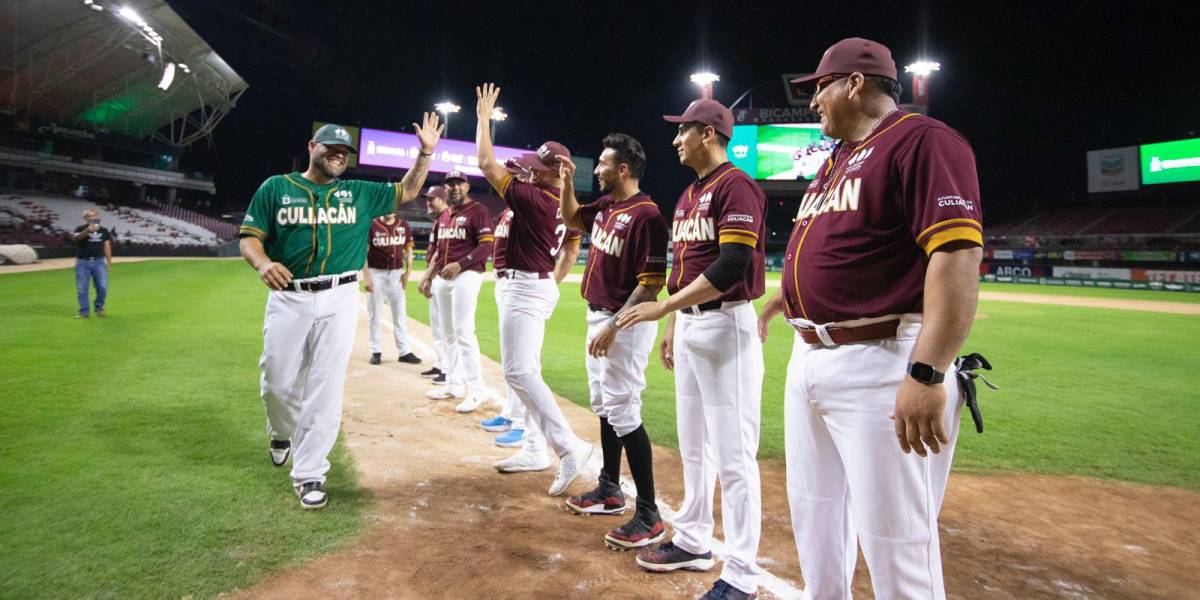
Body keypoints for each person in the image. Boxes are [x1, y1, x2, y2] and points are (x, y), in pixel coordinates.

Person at [758, 38, 984, 600]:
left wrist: (928, 371)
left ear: (855, 83)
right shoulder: (836, 160)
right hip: (809, 356)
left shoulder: (922, 140)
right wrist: (788, 299)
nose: (813, 102)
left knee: (896, 542)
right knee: (815, 519)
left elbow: (956, 255)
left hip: (882, 360)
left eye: (820, 88)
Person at [239, 118, 443, 509]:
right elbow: (251, 238)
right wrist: (263, 264)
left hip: (340, 296)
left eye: (343, 152)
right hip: (289, 296)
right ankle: (281, 430)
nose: (337, 156)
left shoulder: (359, 192)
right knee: (276, 382)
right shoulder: (276, 188)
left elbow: (409, 189)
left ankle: (310, 472)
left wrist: (426, 152)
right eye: (330, 148)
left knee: (326, 385)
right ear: (311, 146)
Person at [617, 99, 767, 600]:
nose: (676, 139)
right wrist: (675, 325)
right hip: (693, 326)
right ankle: (695, 538)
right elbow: (685, 265)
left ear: (707, 133)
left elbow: (732, 265)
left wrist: (663, 310)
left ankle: (742, 572)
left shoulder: (736, 185)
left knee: (734, 455)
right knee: (693, 446)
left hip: (728, 327)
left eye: (683, 131)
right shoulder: (687, 195)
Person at [474, 82, 591, 496]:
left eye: (538, 168)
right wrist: (553, 280)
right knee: (526, 369)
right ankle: (534, 447)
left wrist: (483, 119)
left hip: (525, 287)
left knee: (519, 371)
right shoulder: (561, 201)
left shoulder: (536, 200)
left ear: (556, 172)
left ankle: (569, 446)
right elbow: (574, 240)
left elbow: (486, 162)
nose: (530, 170)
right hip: (533, 284)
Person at [556, 133, 670, 551]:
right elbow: (571, 218)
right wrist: (567, 184)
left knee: (623, 408)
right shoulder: (607, 205)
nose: (598, 170)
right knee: (605, 405)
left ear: (623, 169)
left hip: (626, 324)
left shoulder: (647, 216)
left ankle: (649, 514)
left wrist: (614, 325)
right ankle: (608, 489)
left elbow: (652, 283)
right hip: (600, 316)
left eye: (603, 164)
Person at [423, 170, 494, 413]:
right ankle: (453, 384)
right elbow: (438, 250)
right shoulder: (444, 217)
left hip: (467, 275)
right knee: (448, 334)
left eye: (459, 183)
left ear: (467, 186)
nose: (454, 188)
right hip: (443, 277)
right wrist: (428, 277)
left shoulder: (478, 211)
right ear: (446, 188)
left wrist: (460, 264)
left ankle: (477, 390)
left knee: (463, 331)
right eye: (450, 184)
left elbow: (487, 245)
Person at [363, 210, 420, 365]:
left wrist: (408, 270)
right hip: (376, 273)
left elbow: (408, 249)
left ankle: (404, 351)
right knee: (375, 313)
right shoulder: (371, 225)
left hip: (396, 274)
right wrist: (367, 277)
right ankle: (376, 350)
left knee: (400, 313)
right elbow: (363, 252)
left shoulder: (403, 226)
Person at [418, 186, 451, 384]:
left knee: (446, 328)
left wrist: (427, 277)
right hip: (437, 278)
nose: (428, 203)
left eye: (432, 199)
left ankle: (448, 370)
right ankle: (441, 364)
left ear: (442, 199)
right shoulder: (439, 220)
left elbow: (440, 253)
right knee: (437, 327)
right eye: (427, 199)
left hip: (445, 278)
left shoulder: (447, 219)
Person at [71, 209, 112, 318]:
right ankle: (84, 312)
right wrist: (88, 230)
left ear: (97, 216)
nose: (91, 217)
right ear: (85, 218)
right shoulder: (79, 229)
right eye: (88, 216)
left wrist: (109, 262)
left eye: (93, 215)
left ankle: (99, 307)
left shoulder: (104, 231)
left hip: (99, 262)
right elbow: (76, 238)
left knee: (103, 287)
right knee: (82, 289)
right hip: (83, 262)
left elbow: (107, 246)